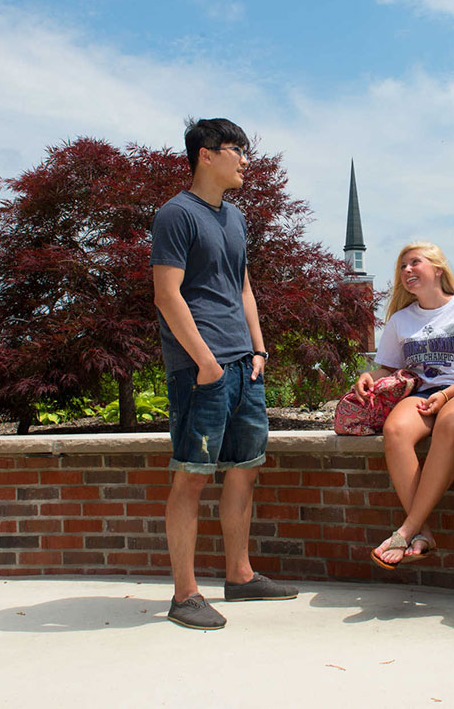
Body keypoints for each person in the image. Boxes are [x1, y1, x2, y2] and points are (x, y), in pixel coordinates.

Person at [150, 117, 297, 631]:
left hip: (244, 366)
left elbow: (243, 288)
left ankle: (240, 576)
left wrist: (258, 350)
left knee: (245, 469)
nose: (246, 160)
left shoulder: (235, 218)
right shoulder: (176, 215)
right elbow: (167, 294)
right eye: (238, 149)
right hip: (201, 370)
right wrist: (206, 362)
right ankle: (185, 595)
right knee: (191, 476)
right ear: (206, 154)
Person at [357, 242, 454, 570]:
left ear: (438, 269)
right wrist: (369, 378)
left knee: (451, 423)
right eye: (402, 266)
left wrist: (449, 395)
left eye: (414, 263)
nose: (406, 270)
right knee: (394, 429)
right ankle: (423, 533)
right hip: (423, 395)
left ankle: (406, 529)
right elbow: (388, 368)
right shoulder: (400, 320)